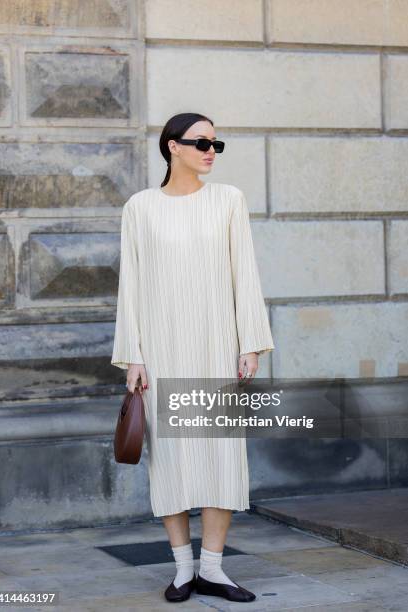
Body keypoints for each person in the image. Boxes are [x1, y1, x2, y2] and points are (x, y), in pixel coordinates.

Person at [111, 112, 275, 603]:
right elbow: (131, 287)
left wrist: (249, 342)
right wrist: (132, 355)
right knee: (173, 460)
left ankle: (214, 569)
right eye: (201, 142)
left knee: (220, 455)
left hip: (215, 346)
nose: (211, 150)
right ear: (171, 147)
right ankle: (183, 569)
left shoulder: (228, 200)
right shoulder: (139, 208)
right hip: (161, 350)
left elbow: (244, 272)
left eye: (216, 143)